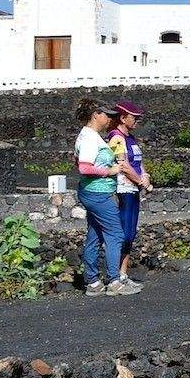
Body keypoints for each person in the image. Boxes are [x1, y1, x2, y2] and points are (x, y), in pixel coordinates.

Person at [73, 99, 141, 295]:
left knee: (95, 235)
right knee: (116, 234)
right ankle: (114, 281)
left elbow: (78, 160)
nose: (110, 118)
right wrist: (110, 170)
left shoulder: (89, 136)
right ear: (96, 114)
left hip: (92, 191)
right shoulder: (89, 138)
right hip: (98, 193)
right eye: (107, 114)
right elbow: (84, 167)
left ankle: (92, 282)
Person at [107, 101, 153, 283]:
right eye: (134, 117)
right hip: (123, 188)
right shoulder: (116, 138)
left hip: (133, 188)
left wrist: (145, 175)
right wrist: (141, 181)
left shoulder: (130, 138)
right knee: (123, 232)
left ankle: (123, 272)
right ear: (123, 117)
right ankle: (116, 273)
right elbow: (123, 165)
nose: (137, 121)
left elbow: (138, 161)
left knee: (130, 232)